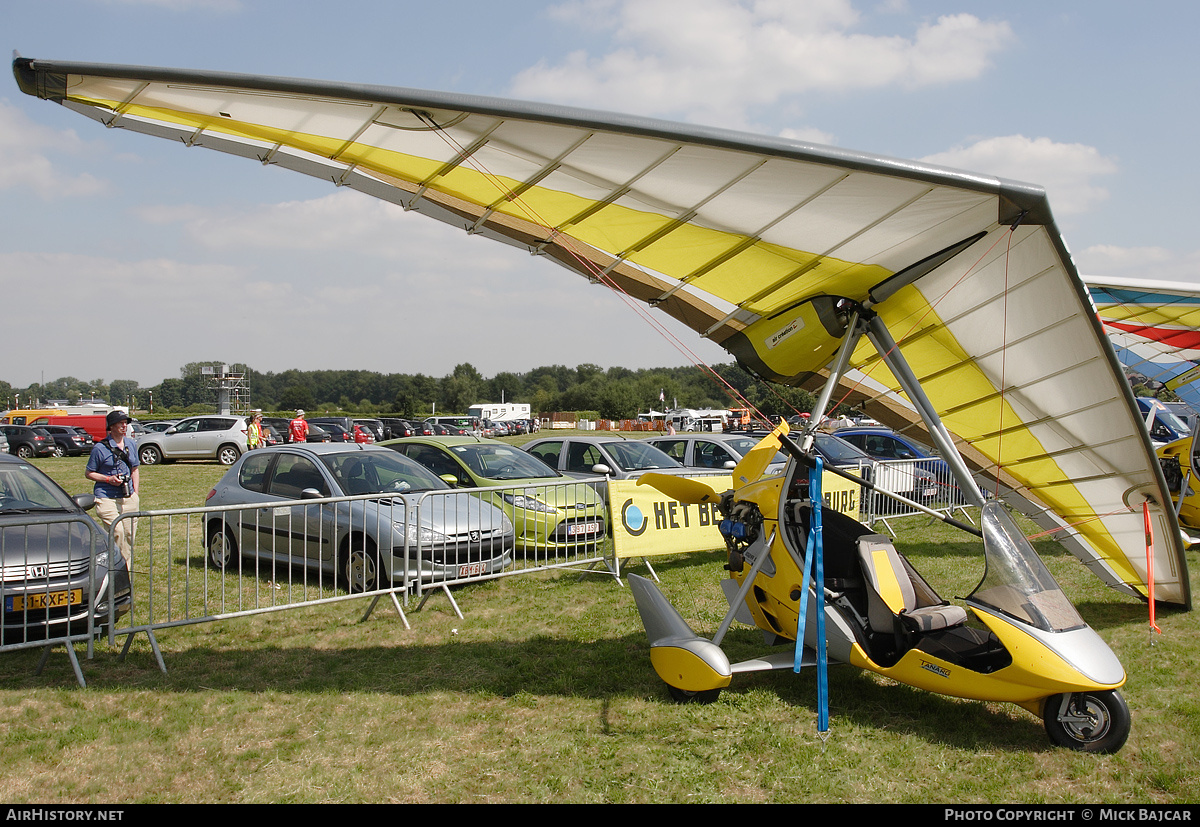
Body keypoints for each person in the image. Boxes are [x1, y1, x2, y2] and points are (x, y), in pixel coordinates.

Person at [85, 410, 140, 567]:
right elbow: (89, 473)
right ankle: (116, 567)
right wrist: (108, 479)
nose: (124, 426)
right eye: (120, 423)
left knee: (129, 535)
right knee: (117, 532)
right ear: (111, 426)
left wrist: (135, 493)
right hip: (106, 496)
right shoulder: (99, 448)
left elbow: (135, 469)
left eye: (125, 423)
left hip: (128, 497)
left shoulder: (131, 444)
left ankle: (125, 572)